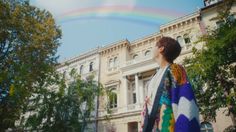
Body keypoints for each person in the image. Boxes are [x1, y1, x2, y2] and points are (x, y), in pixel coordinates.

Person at [140, 37, 200, 132]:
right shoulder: (154, 77)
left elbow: (186, 103)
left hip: (168, 126)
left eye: (154, 46)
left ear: (161, 49)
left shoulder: (176, 69)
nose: (152, 49)